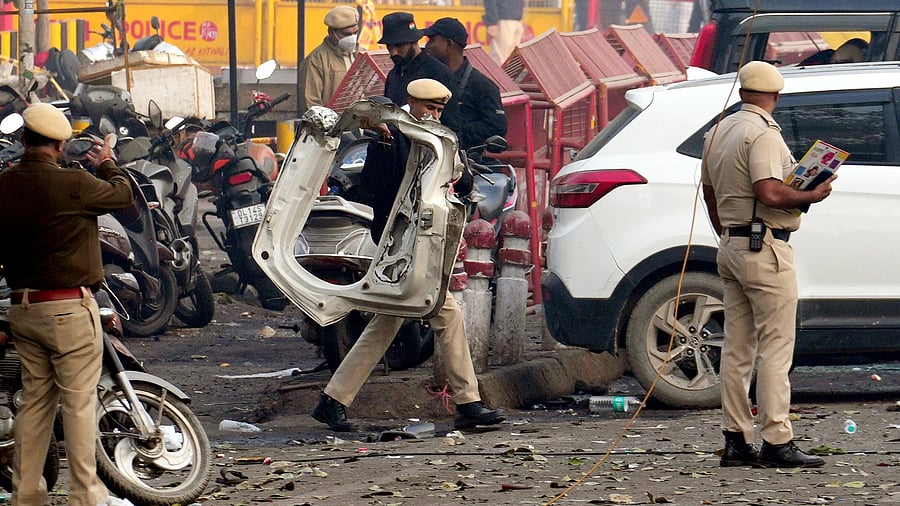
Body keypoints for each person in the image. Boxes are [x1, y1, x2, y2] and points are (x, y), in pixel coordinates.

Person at [311, 78, 504, 432]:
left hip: (421, 244)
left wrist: (457, 165)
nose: (432, 114)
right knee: (446, 313)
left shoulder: (439, 139)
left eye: (438, 109)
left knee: (389, 322)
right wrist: (384, 140)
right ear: (410, 104)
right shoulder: (391, 137)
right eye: (428, 108)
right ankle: (468, 403)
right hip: (397, 246)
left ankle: (332, 400)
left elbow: (460, 184)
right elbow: (375, 188)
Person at [700, 61, 836, 469]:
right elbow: (771, 193)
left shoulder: (717, 132)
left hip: (732, 247)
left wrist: (729, 231)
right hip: (765, 248)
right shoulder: (762, 133)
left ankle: (736, 440)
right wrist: (814, 194)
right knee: (776, 349)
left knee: (737, 349)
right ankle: (777, 439)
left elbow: (709, 194)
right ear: (775, 96)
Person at [0, 103, 134, 504]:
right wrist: (107, 162)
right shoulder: (72, 183)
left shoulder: (4, 185)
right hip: (69, 310)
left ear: (23, 141)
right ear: (59, 146)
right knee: (77, 405)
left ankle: (27, 494)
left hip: (24, 309)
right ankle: (86, 495)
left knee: (35, 404)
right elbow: (124, 195)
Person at [424, 17, 508, 152]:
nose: (427, 46)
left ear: (449, 45)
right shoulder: (428, 78)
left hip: (468, 161)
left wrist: (452, 129)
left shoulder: (483, 86)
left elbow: (496, 127)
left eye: (432, 40)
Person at [379, 12, 460, 134]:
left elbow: (452, 126)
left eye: (399, 45)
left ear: (414, 41)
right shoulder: (394, 75)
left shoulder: (437, 72)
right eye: (389, 47)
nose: (393, 52)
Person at [297, 5, 360, 112]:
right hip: (332, 126)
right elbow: (311, 106)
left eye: (355, 33)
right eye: (346, 34)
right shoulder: (316, 60)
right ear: (331, 32)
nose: (352, 38)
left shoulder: (359, 54)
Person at [483, 0, 524, 66]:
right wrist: (492, 22)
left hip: (516, 18)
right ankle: (494, 74)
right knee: (499, 55)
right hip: (503, 19)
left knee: (511, 56)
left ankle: (503, 75)